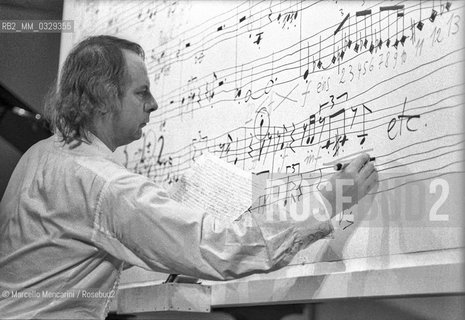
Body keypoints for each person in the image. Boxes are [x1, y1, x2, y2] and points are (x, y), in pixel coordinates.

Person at [0, 36, 378, 319]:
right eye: (141, 92)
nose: (153, 104)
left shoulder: (39, 155)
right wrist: (328, 201)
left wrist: (164, 220)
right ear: (104, 98)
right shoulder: (108, 186)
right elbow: (223, 248)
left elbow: (65, 249)